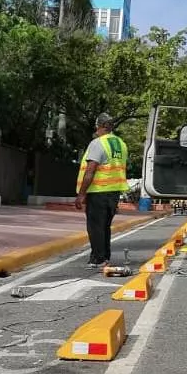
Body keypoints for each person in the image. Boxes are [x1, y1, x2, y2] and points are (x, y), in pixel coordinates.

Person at [75, 112, 129, 269]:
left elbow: (90, 170)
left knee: (95, 226)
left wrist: (81, 194)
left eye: (97, 127)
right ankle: (103, 256)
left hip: (98, 190)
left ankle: (99, 259)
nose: (96, 130)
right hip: (114, 192)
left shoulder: (98, 143)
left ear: (100, 126)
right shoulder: (121, 144)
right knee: (104, 226)